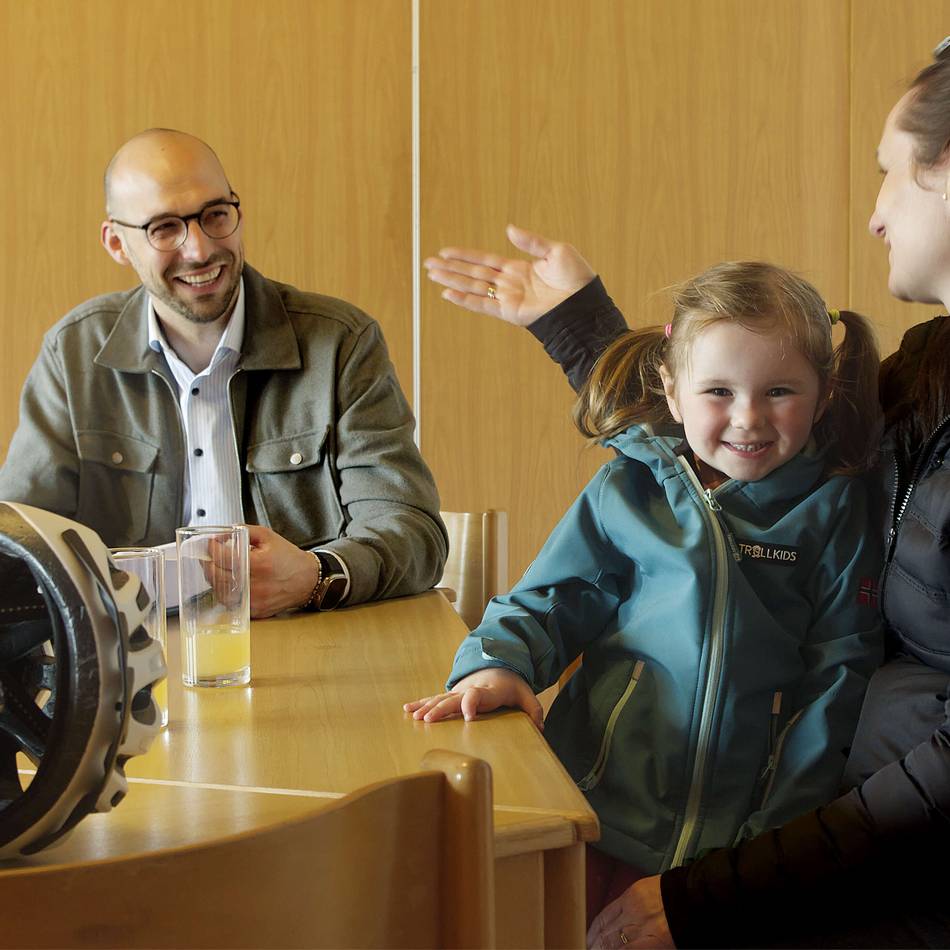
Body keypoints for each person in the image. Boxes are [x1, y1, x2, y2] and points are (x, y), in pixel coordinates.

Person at [421, 38, 950, 949]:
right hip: (623, 818)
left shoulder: (831, 504)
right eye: (714, 396)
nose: (873, 213)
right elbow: (575, 574)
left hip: (785, 857)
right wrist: (579, 325)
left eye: (888, 173)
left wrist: (748, 876)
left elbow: (835, 667)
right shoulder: (921, 371)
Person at [407, 260, 884, 926]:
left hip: (734, 852)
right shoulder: (626, 492)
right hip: (595, 816)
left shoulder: (835, 512)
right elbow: (548, 600)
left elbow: (836, 682)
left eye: (780, 391)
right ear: (671, 386)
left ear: (826, 393)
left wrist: (777, 844)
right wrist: (496, 664)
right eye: (718, 390)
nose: (747, 418)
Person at [0, 129, 447, 618]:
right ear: (117, 243)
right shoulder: (74, 351)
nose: (199, 250)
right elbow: (20, 542)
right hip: (139, 663)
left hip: (314, 646)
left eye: (215, 215)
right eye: (165, 228)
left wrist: (316, 575)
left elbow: (413, 533)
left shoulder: (339, 342)